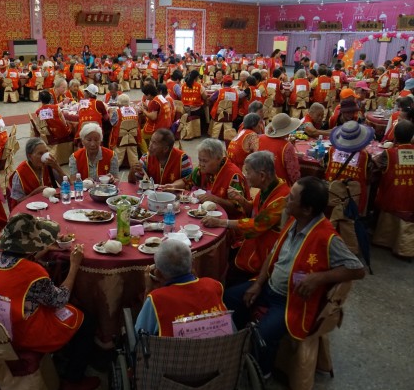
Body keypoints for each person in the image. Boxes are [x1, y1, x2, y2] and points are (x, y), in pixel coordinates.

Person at [224, 176, 365, 376]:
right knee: (229, 297)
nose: (285, 201)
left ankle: (261, 373)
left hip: (290, 300)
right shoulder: (294, 219)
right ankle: (235, 345)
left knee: (262, 336)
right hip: (268, 286)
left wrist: (319, 278)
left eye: (291, 198)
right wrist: (258, 284)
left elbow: (358, 269)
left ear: (307, 209)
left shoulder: (327, 236)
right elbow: (273, 255)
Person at [0, 214, 100, 390]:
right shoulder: (33, 272)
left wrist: (42, 249)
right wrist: (74, 265)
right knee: (87, 320)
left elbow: (18, 262)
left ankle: (62, 356)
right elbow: (60, 299)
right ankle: (73, 380)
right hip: (21, 334)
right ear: (30, 246)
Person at [204, 151, 290, 284]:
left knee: (230, 275)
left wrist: (221, 222)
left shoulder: (281, 199)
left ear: (262, 175)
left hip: (265, 254)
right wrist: (242, 200)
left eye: (248, 172)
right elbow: (254, 211)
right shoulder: (269, 186)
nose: (246, 176)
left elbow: (256, 225)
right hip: (252, 244)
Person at [135, 239, 227, 336]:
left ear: (158, 274)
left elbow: (140, 335)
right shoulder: (214, 285)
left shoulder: (156, 299)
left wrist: (148, 290)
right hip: (217, 349)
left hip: (173, 351)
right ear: (193, 264)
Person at [372, 120, 414, 258]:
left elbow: (375, 167)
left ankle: (382, 238)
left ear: (394, 135)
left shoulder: (388, 154)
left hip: (391, 200)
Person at [182, 138, 249, 219]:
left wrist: (214, 199)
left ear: (218, 159)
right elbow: (187, 181)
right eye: (200, 160)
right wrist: (172, 186)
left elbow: (237, 209)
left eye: (205, 161)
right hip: (207, 214)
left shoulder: (233, 176)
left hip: (229, 220)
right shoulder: (202, 169)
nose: (201, 164)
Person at [325, 121, 375, 215]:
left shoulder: (331, 150)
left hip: (332, 198)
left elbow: (324, 168)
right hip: (353, 202)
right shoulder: (365, 156)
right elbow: (369, 178)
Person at [9, 137, 66, 208]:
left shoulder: (49, 165)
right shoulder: (20, 173)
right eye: (40, 153)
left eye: (46, 152)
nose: (45, 156)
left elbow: (68, 185)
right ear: (30, 156)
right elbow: (18, 202)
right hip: (30, 209)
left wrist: (57, 167)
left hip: (50, 205)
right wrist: (34, 193)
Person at [259, 113, 301, 186]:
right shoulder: (287, 146)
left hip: (261, 183)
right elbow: (294, 174)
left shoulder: (259, 138)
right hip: (280, 187)